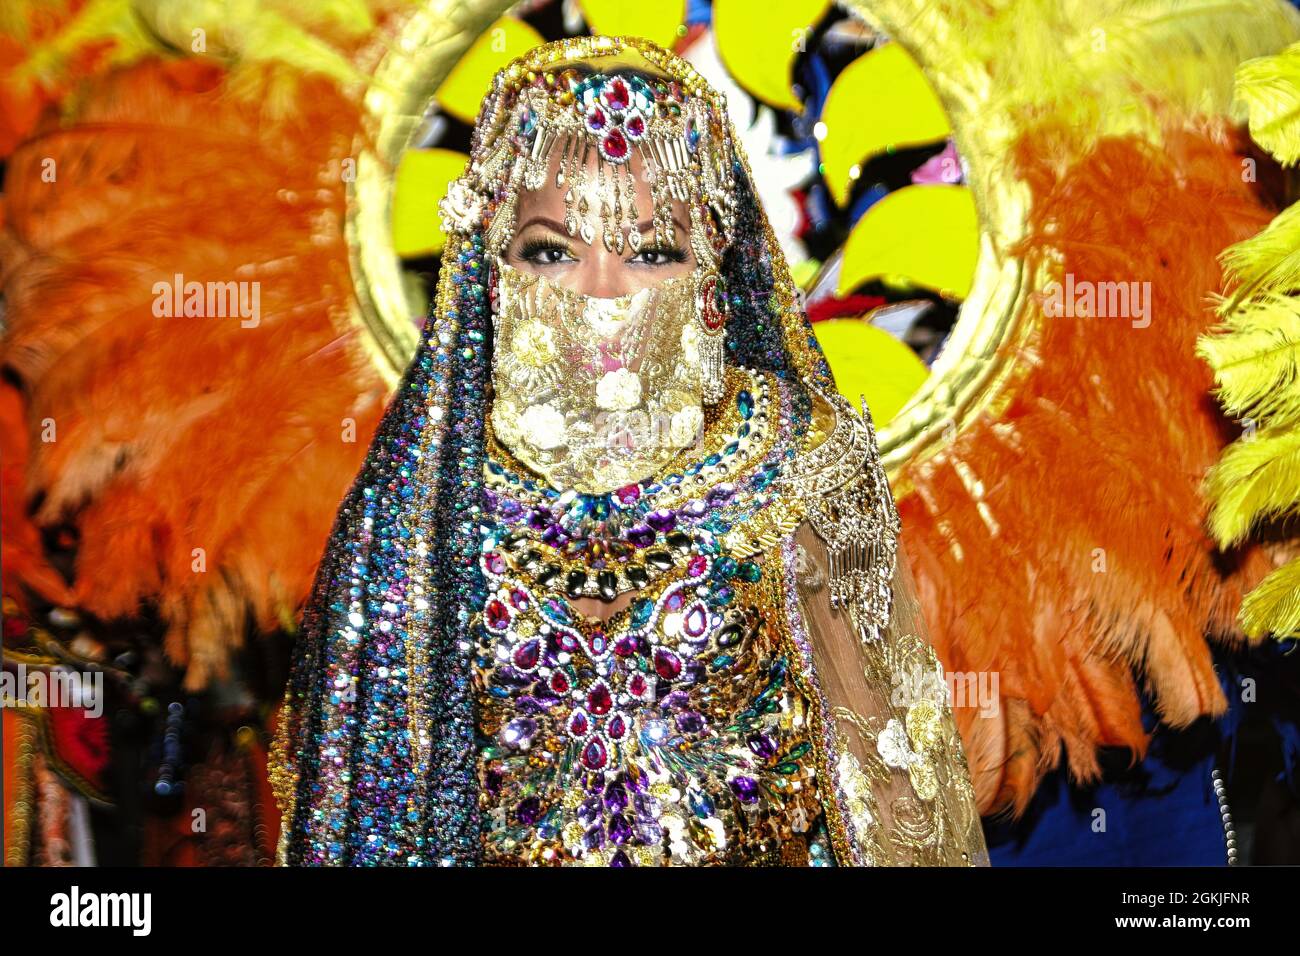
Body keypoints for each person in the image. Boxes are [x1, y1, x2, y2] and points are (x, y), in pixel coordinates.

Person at [270, 34, 990, 867]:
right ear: (490, 267)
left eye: (651, 251)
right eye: (552, 249)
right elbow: (370, 804)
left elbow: (901, 796)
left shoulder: (797, 461)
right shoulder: (427, 491)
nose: (602, 290)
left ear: (714, 273)